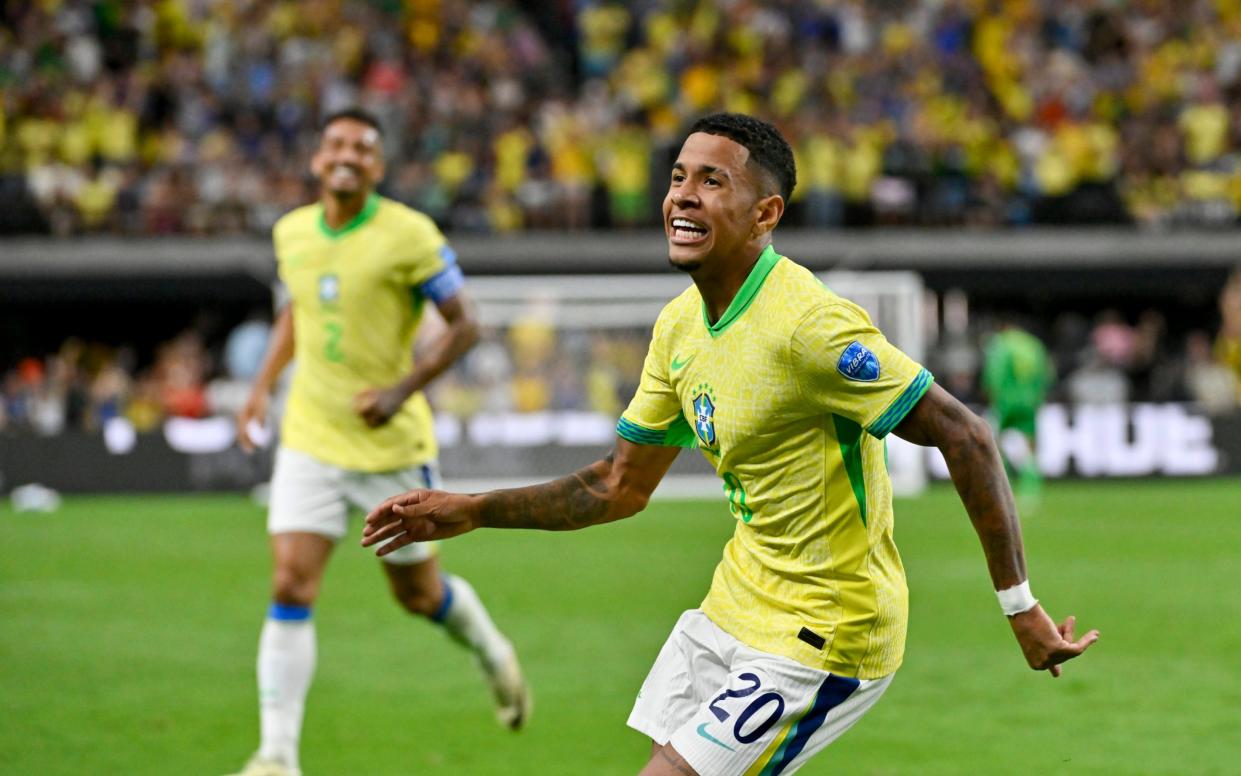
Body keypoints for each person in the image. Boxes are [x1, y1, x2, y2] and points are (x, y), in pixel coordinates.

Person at [362, 113, 1098, 776]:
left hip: (826, 629)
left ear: (764, 213)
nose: (681, 195)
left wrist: (1018, 604)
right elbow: (618, 485)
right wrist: (471, 510)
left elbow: (964, 435)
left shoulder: (811, 326)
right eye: (677, 177)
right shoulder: (679, 328)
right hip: (732, 604)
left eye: (711, 182)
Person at [229, 108, 530, 776]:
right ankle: (277, 755)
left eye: (361, 149)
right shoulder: (292, 232)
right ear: (316, 159)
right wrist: (260, 387)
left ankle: (490, 651)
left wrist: (400, 389)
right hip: (311, 434)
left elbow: (464, 325)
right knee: (290, 582)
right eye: (334, 143)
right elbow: (298, 310)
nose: (346, 156)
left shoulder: (409, 234)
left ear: (378, 167)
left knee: (418, 597)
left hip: (389, 448)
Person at [981, 318, 1055, 510]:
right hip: (1029, 402)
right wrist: (1036, 398)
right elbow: (1047, 375)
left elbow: (994, 375)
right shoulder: (1034, 345)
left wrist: (992, 396)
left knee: (994, 443)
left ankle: (1002, 491)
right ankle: (1031, 492)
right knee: (1030, 447)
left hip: (1005, 402)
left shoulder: (1001, 344)